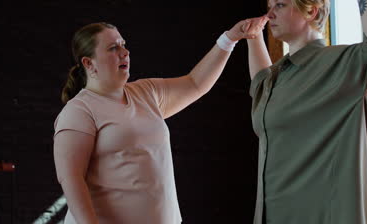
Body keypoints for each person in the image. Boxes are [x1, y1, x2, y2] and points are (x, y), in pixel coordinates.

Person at [53, 18, 265, 224]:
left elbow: (195, 83)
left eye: (123, 45)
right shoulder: (79, 111)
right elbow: (71, 180)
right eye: (113, 48)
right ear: (89, 63)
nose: (124, 52)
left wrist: (230, 38)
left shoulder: (145, 92)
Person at [237, 0, 367, 224]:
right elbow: (259, 83)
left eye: (280, 5)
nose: (270, 15)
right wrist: (253, 38)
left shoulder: (341, 65)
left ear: (311, 12)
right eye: (270, 7)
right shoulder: (277, 76)